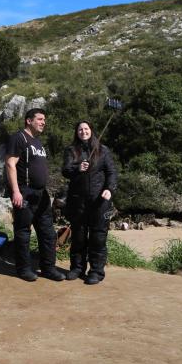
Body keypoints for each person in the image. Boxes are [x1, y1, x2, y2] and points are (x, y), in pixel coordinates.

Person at [5, 108, 64, 282]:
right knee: (23, 232)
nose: (43, 122)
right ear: (29, 121)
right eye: (39, 119)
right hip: (25, 192)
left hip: (42, 194)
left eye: (44, 119)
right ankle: (24, 269)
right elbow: (10, 164)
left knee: (48, 232)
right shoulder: (19, 138)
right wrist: (16, 191)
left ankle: (48, 268)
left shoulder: (37, 142)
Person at [61, 121, 118, 285]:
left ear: (91, 131)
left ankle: (96, 272)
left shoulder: (103, 150)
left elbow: (112, 173)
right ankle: (77, 268)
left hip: (99, 202)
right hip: (77, 201)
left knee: (98, 237)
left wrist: (109, 189)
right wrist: (78, 168)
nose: (83, 131)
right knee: (78, 237)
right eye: (80, 129)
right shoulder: (71, 150)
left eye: (86, 129)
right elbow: (65, 171)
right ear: (76, 132)